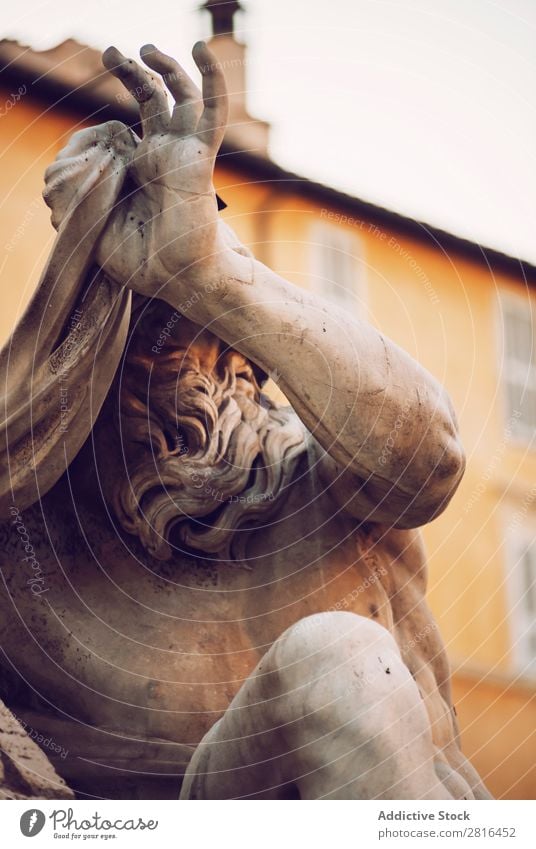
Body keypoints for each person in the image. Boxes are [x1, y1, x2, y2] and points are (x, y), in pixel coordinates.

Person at [0, 42, 490, 800]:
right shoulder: (29, 548)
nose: (208, 376)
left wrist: (209, 274)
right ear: (79, 374)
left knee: (335, 657)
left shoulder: (318, 478)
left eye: (224, 348)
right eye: (146, 348)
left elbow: (430, 460)